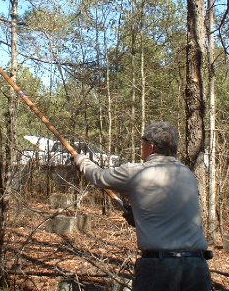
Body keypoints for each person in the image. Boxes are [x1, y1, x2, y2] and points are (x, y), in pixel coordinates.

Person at [74, 121, 212, 291]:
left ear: (151, 147)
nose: (142, 147)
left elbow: (98, 176)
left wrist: (81, 160)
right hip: (196, 266)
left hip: (159, 268)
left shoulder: (136, 172)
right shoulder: (187, 174)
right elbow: (170, 211)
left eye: (143, 143)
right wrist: (139, 217)